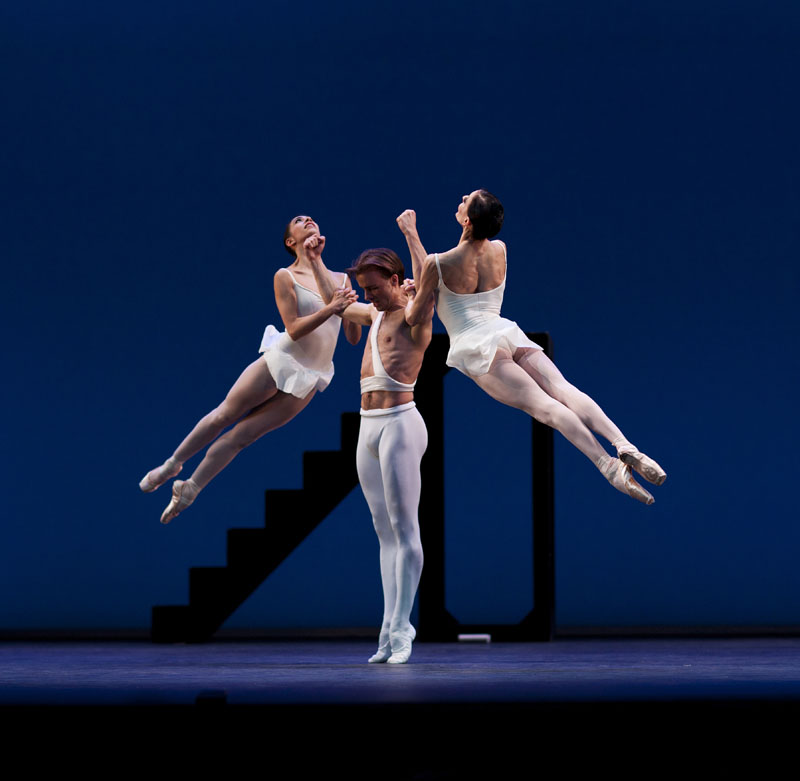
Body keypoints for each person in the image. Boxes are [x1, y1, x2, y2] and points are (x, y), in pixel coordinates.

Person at [402, 191, 666, 504]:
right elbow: (440, 279)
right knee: (564, 390)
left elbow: (417, 314)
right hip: (506, 333)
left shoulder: (438, 263)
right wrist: (425, 284)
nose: (461, 198)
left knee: (547, 408)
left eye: (467, 199)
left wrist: (410, 247)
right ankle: (625, 446)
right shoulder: (499, 249)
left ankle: (609, 467)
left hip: (476, 347)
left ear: (468, 221)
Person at [139, 216, 361, 523]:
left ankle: (190, 489)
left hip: (311, 375)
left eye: (311, 217)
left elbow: (351, 338)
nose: (308, 219)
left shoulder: (341, 280)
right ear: (290, 241)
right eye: (299, 221)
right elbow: (294, 329)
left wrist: (349, 311)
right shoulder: (285, 275)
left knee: (243, 436)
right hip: (282, 360)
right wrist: (331, 308)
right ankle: (172, 464)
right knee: (224, 415)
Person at [307, 229, 434, 664]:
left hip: (401, 424)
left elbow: (429, 280)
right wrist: (317, 259)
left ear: (398, 282)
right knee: (384, 533)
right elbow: (340, 301)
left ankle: (403, 629)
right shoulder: (375, 313)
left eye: (377, 289)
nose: (370, 297)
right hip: (369, 426)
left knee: (405, 528)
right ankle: (388, 628)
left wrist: (411, 233)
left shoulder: (416, 314)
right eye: (366, 290)